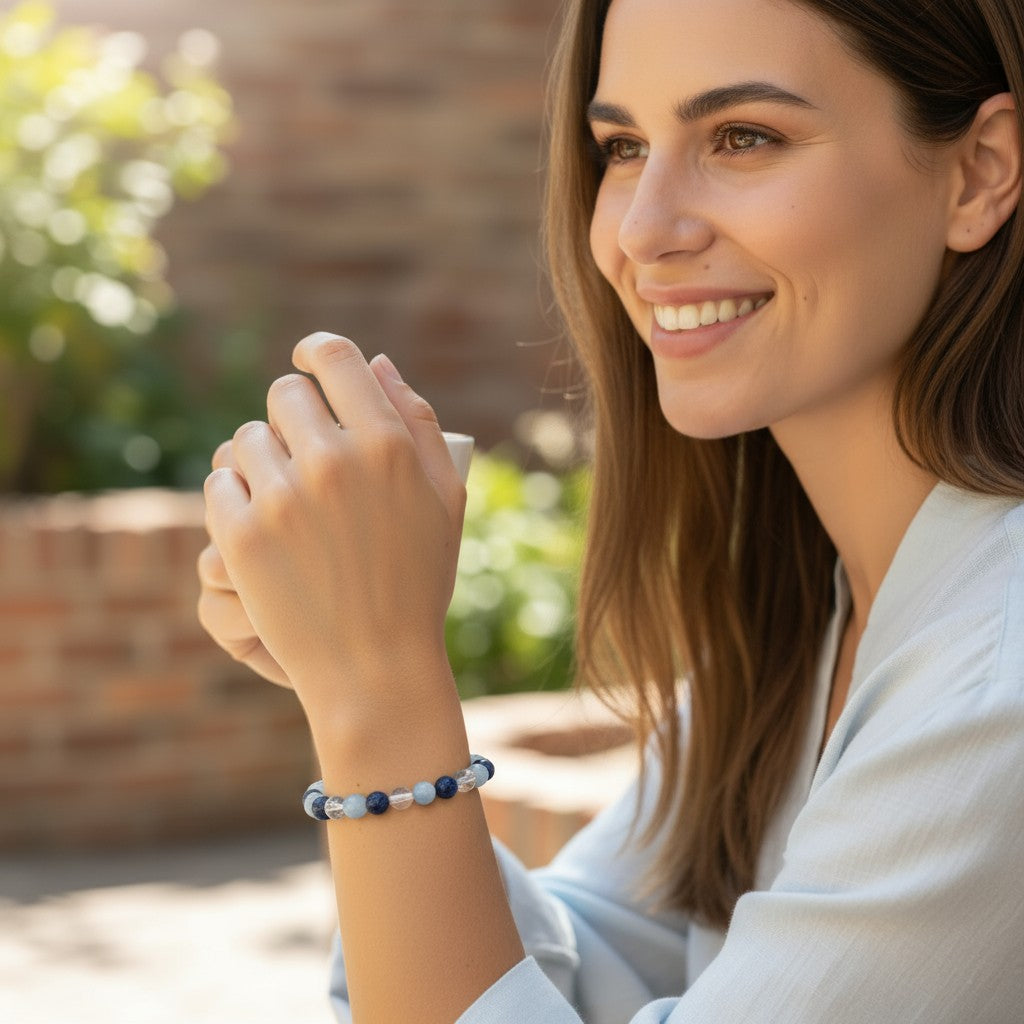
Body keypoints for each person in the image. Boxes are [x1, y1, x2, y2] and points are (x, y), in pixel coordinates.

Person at [197, 0, 1024, 1019]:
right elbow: (590, 962)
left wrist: (379, 698)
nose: (641, 231)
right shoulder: (816, 608)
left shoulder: (996, 682)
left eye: (743, 137)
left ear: (979, 172)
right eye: (623, 148)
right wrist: (344, 652)